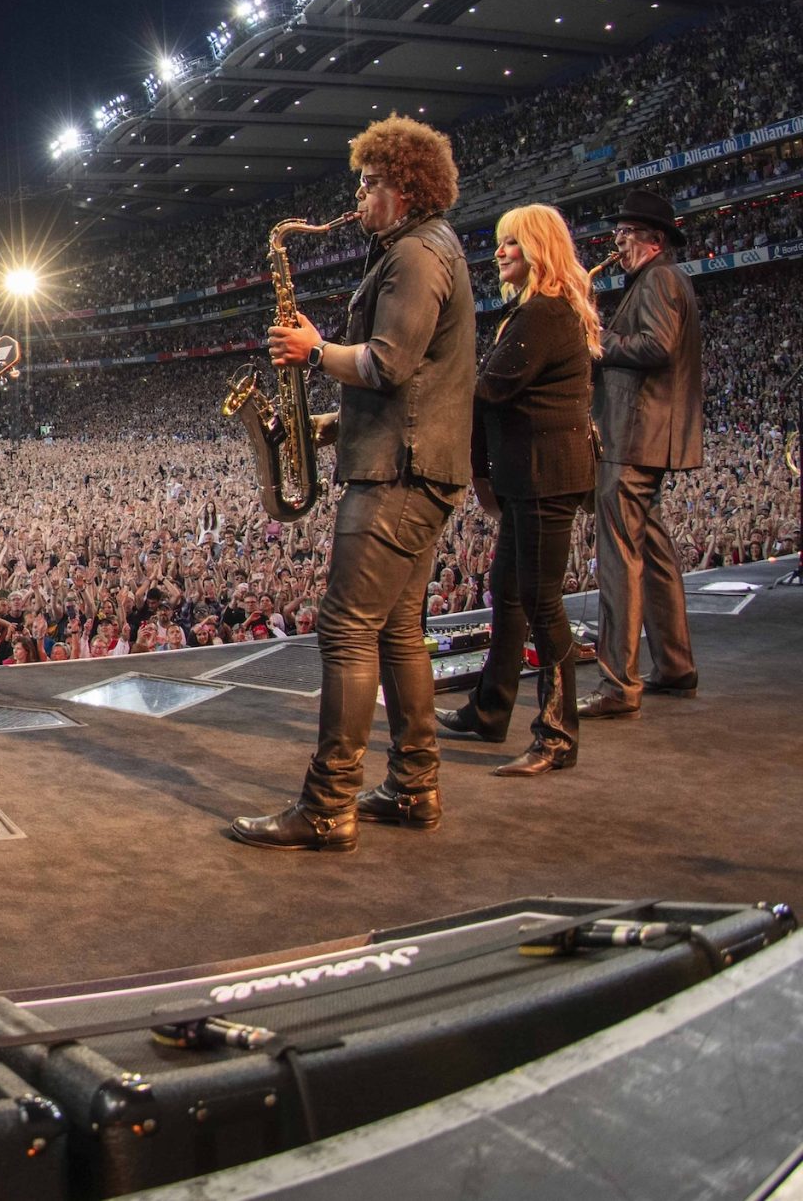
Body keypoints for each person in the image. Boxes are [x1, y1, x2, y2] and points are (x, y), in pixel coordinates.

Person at [233, 116, 473, 851]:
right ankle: (413, 785)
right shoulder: (424, 250)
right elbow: (408, 380)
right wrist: (331, 423)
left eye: (368, 184)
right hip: (411, 461)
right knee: (400, 630)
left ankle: (328, 803)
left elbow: (389, 363)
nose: (357, 197)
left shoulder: (416, 257)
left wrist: (315, 350)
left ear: (404, 188)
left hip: (396, 476)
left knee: (344, 627)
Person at [438, 206, 599, 776]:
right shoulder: (532, 312)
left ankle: (557, 733)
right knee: (506, 588)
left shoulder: (544, 316)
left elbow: (491, 390)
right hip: (528, 475)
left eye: (511, 243)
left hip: (544, 477)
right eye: (500, 242)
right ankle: (490, 708)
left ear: (539, 249)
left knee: (541, 602)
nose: (499, 251)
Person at [582, 188, 705, 720]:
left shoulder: (658, 280)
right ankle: (675, 665)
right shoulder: (661, 279)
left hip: (633, 436)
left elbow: (657, 346)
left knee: (619, 559)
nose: (617, 241)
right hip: (647, 436)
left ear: (654, 241)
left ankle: (617, 683)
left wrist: (598, 341)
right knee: (652, 553)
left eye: (626, 234)